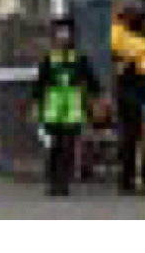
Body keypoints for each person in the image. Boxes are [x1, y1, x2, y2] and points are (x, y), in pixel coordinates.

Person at [34, 21, 95, 198]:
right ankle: (53, 181)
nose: (63, 36)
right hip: (52, 109)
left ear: (72, 36)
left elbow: (91, 80)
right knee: (54, 146)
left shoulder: (80, 58)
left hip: (72, 109)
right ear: (55, 36)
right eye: (59, 33)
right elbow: (40, 84)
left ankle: (64, 182)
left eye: (66, 33)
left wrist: (100, 98)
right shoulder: (49, 58)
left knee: (68, 146)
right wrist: (35, 105)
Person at [108, 1, 145, 192]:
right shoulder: (143, 44)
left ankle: (126, 178)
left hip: (123, 90)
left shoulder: (119, 37)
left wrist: (117, 18)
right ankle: (134, 177)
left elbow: (115, 44)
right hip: (136, 90)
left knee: (127, 136)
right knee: (135, 136)